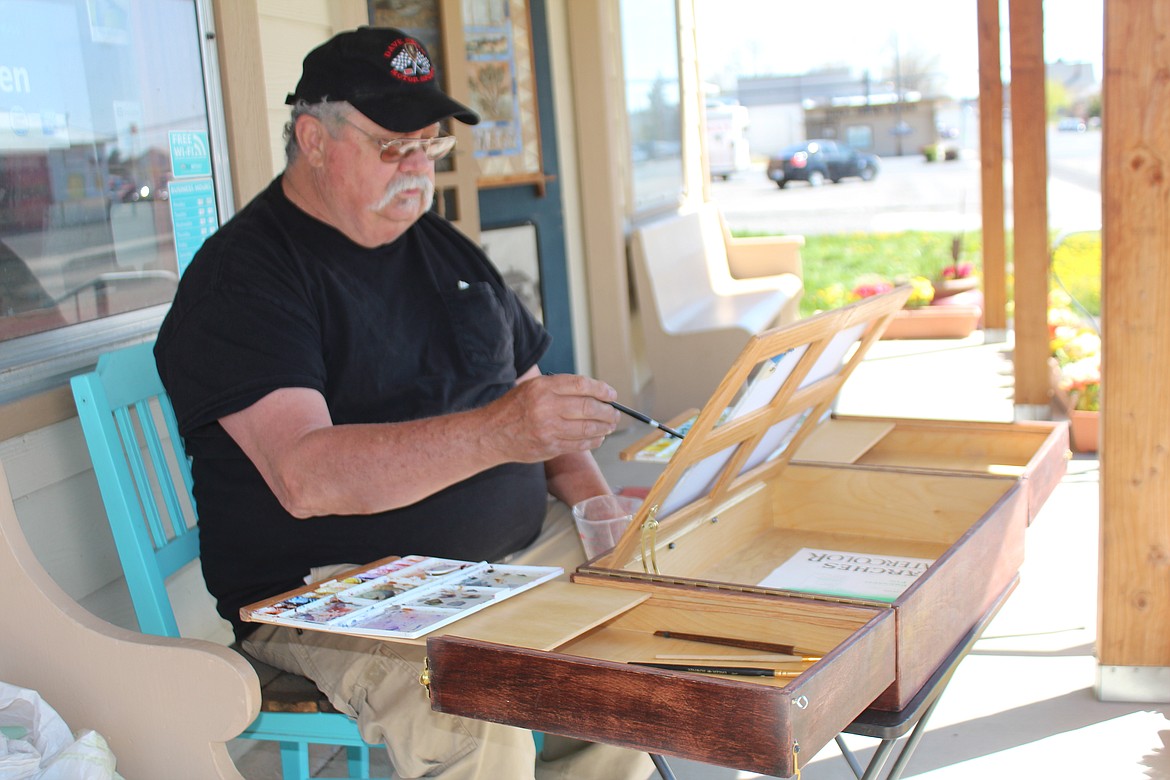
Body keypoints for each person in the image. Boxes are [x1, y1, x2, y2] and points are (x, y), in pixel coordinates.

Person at [154, 26, 653, 780]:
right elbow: (307, 477)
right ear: (313, 139)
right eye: (394, 147)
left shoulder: (441, 245)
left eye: (430, 144)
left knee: (634, 644)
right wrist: (501, 434)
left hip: (508, 557)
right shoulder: (246, 277)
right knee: (476, 701)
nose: (418, 167)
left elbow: (529, 397)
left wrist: (596, 509)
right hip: (334, 587)